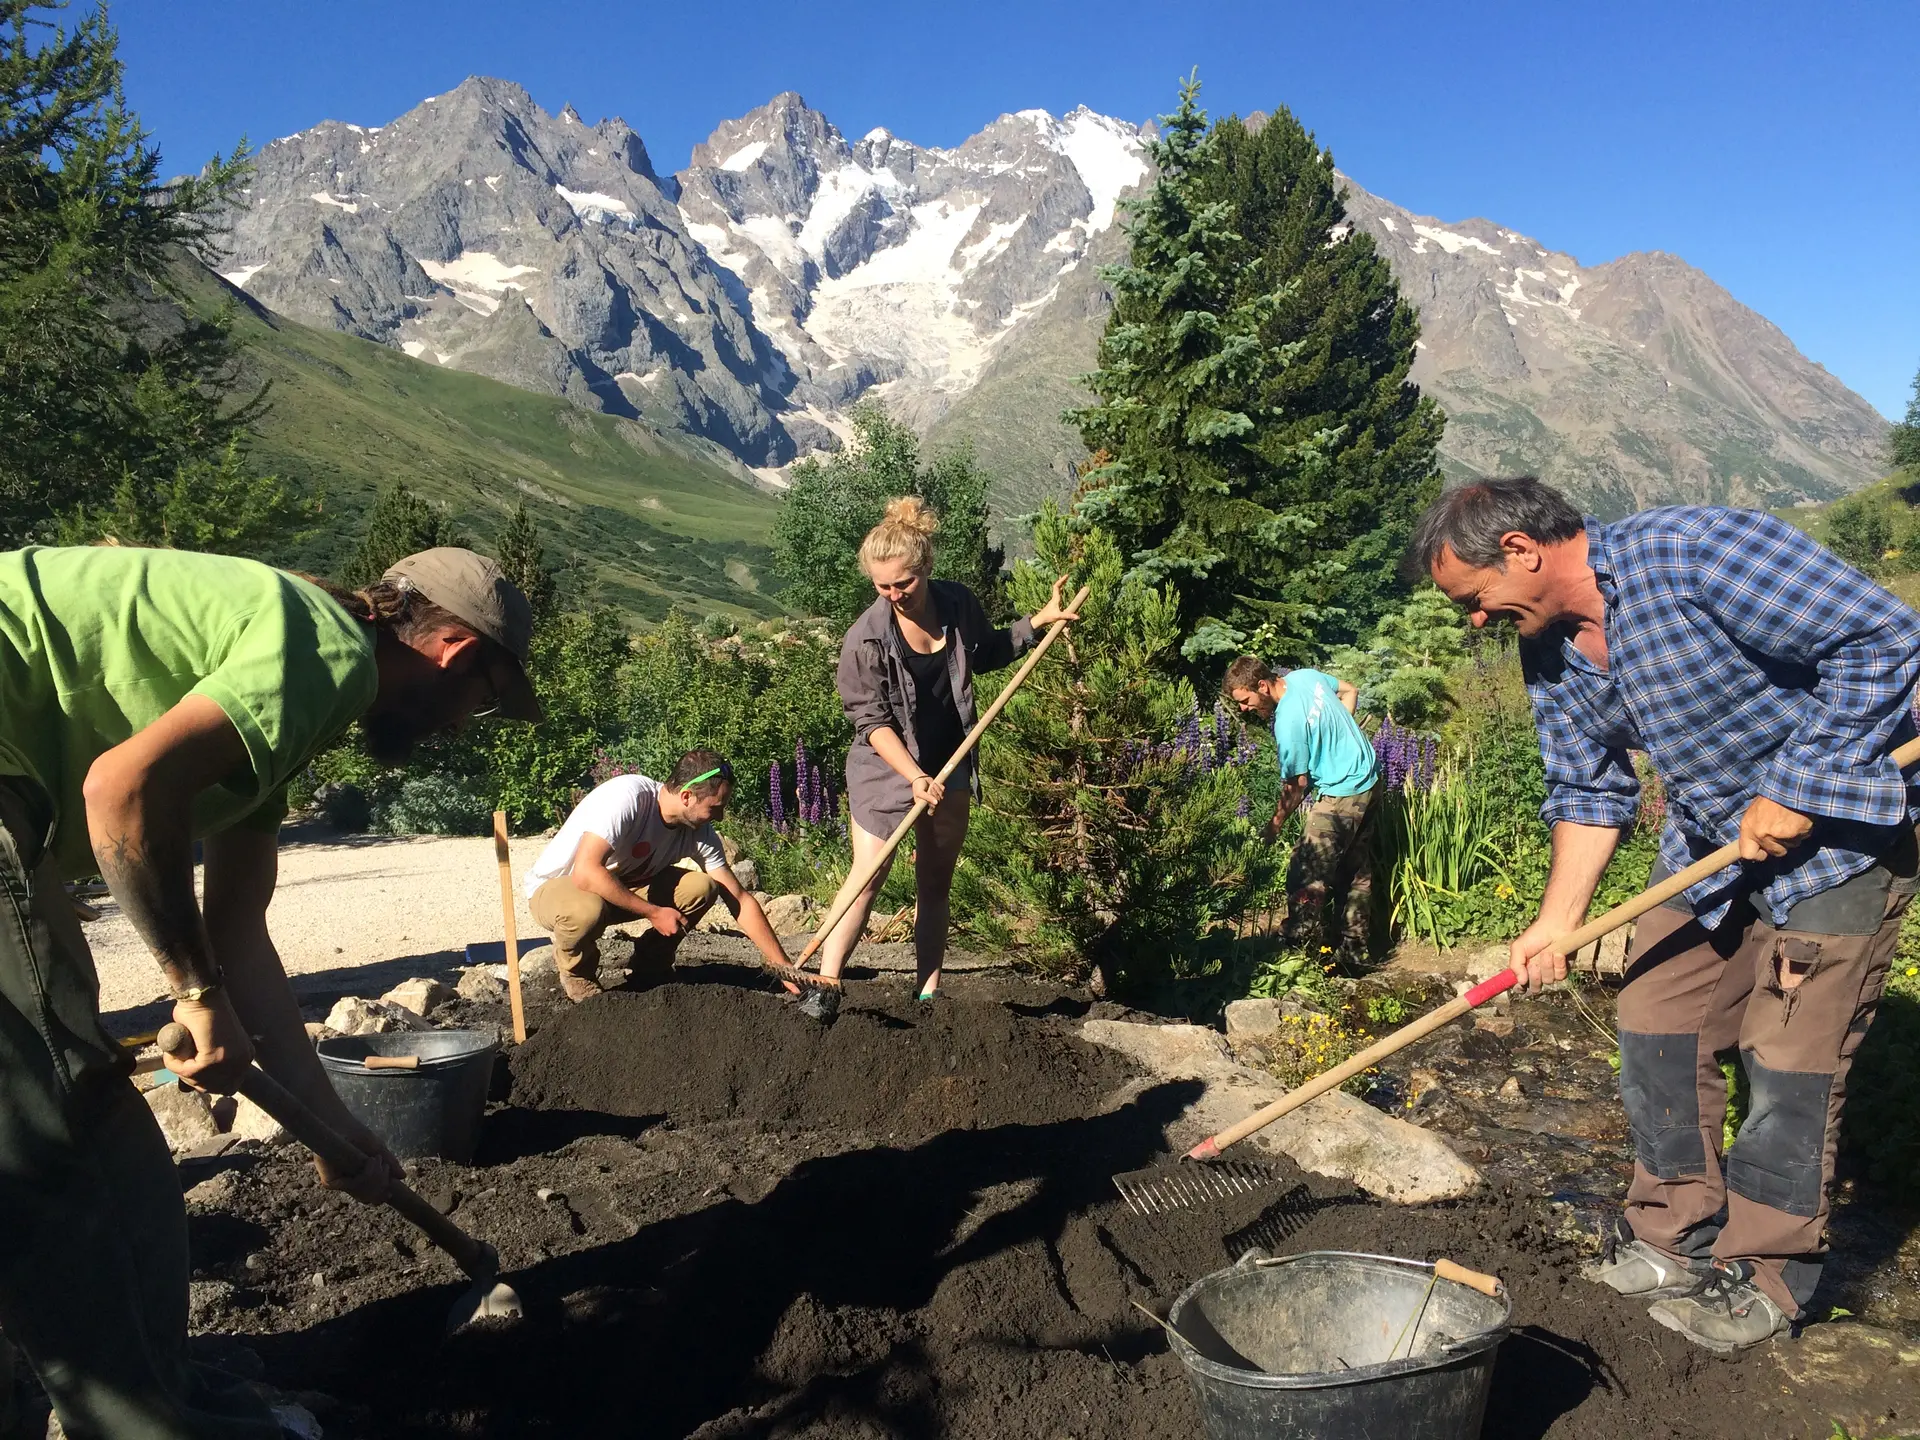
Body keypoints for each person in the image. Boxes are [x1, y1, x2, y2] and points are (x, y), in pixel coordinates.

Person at [0, 543, 540, 1438]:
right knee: (75, 1136)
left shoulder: (279, 690)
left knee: (27, 1125)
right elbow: (121, 790)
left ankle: (91, 1393)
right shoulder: (324, 646)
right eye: (480, 702)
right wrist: (190, 989)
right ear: (451, 648)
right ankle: (154, 1420)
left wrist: (333, 1130)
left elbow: (239, 937)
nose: (460, 724)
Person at [1409, 475, 1920, 1354]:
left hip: (1841, 837)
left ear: (1523, 552)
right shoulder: (1551, 649)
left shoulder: (1692, 552)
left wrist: (1801, 782)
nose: (1475, 621)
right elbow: (1586, 786)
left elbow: (1886, 637)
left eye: (1476, 597)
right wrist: (1556, 923)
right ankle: (1671, 1233)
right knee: (1655, 1016)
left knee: (1789, 1059)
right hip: (1712, 846)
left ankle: (1763, 1275)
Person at [802, 497, 1080, 1023]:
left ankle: (928, 993)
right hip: (886, 767)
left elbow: (991, 650)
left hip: (950, 761)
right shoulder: (865, 637)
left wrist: (1039, 621)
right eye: (881, 587)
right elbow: (872, 722)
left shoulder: (956, 605)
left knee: (935, 879)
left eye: (902, 584)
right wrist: (913, 776)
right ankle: (827, 983)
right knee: (871, 870)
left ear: (925, 567)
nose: (892, 596)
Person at [526, 750, 791, 1001]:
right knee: (585, 910)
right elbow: (585, 873)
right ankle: (577, 974)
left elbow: (740, 900)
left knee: (703, 887)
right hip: (559, 889)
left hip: (621, 890)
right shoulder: (627, 798)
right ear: (687, 796)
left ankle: (650, 965)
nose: (719, 818)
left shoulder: (700, 832)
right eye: (715, 808)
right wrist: (653, 912)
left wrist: (785, 968)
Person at [1223, 656, 1383, 952]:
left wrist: (1272, 828)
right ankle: (1354, 951)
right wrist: (1338, 740)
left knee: (1306, 871)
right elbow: (1351, 691)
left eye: (1246, 701)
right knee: (1355, 870)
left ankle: (1297, 950)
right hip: (1371, 780)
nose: (1244, 709)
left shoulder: (1287, 721)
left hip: (1343, 793)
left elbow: (1297, 784)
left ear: (1262, 686)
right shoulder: (1305, 677)